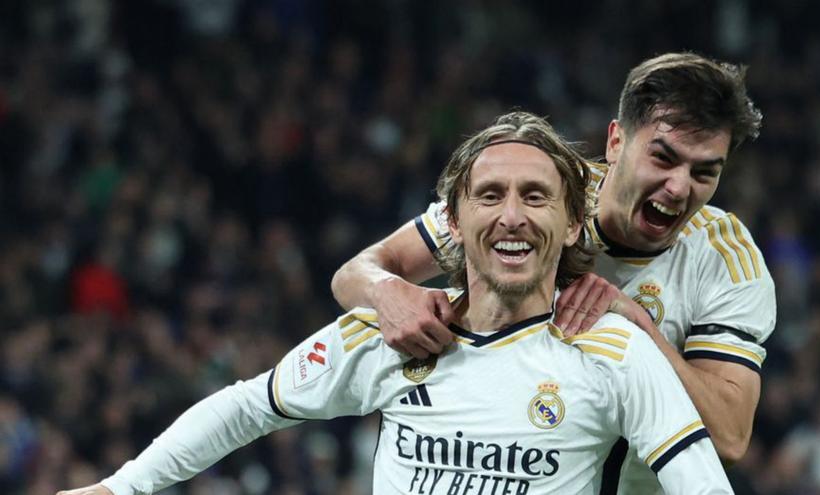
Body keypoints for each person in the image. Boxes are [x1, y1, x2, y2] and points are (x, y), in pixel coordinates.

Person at [58, 112, 733, 494]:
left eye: (535, 196)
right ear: (454, 221)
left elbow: (702, 482)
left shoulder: (614, 350)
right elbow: (246, 406)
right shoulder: (395, 328)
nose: (512, 215)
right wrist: (122, 487)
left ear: (572, 225)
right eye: (490, 195)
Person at [331, 52, 775, 492]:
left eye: (704, 172)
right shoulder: (538, 197)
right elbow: (355, 275)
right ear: (616, 141)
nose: (679, 187)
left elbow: (730, 438)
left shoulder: (723, 256)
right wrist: (390, 294)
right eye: (663, 158)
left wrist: (639, 325)